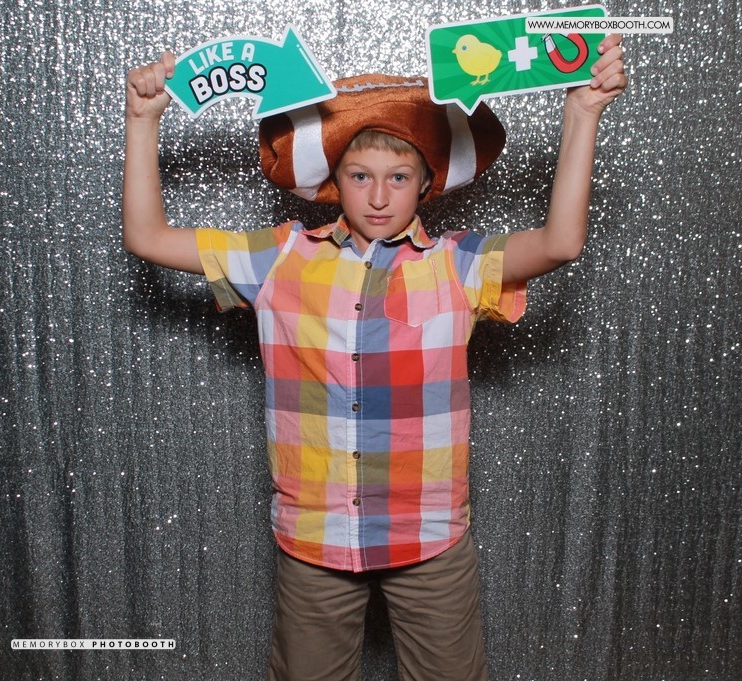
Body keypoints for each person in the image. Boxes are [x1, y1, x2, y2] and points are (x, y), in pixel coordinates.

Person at [123, 35, 626, 681]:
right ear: (335, 181)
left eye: (399, 178)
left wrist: (582, 114)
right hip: (315, 536)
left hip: (428, 535)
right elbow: (148, 236)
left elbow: (560, 242)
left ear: (426, 184)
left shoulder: (458, 263)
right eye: (361, 176)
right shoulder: (280, 257)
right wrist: (143, 120)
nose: (379, 197)